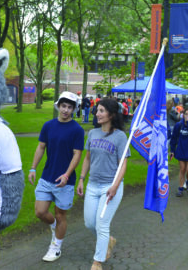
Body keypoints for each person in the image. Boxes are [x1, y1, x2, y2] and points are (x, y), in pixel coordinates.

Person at [28, 91, 85, 262]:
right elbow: (40, 147)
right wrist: (33, 168)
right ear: (58, 106)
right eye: (63, 106)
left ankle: (56, 247)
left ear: (73, 109)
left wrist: (67, 175)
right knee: (40, 212)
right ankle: (54, 226)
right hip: (47, 177)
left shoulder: (77, 130)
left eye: (69, 107)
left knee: (61, 215)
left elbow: (77, 155)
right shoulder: (48, 126)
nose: (66, 110)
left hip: (65, 181)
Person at [76, 98, 130, 270]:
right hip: (92, 185)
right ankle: (108, 240)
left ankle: (97, 261)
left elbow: (123, 164)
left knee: (102, 223)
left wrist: (115, 186)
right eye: (96, 110)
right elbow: (87, 158)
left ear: (111, 114)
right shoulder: (92, 133)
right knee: (89, 224)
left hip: (110, 187)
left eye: (101, 111)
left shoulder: (120, 136)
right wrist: (82, 179)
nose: (97, 114)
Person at [170, 109, 188, 197]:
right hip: (181, 150)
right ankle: (180, 188)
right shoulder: (178, 125)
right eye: (185, 114)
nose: (186, 116)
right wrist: (172, 150)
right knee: (182, 170)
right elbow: (174, 138)